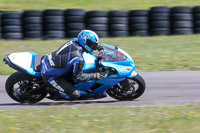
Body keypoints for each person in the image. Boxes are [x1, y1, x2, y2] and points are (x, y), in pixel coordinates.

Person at [41, 30, 104, 100]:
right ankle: (53, 91)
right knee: (75, 94)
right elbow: (78, 78)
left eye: (94, 45)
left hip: (49, 60)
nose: (93, 47)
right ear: (84, 42)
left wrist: (98, 47)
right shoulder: (78, 58)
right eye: (92, 44)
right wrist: (95, 75)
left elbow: (86, 44)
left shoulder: (74, 41)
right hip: (50, 75)